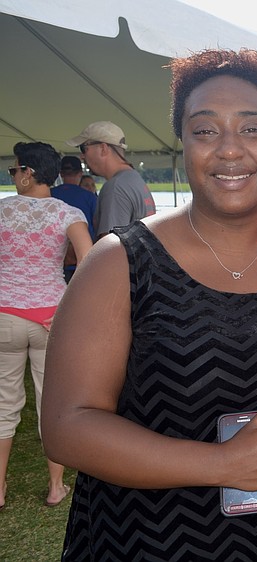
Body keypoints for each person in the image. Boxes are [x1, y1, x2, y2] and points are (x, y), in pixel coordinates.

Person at [43, 48, 257, 561]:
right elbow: (68, 427)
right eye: (205, 131)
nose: (230, 150)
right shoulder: (119, 262)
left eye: (252, 129)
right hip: (148, 538)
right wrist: (222, 464)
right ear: (182, 142)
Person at [0, 142, 93, 511]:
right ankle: (55, 487)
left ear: (27, 172)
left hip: (4, 315)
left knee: (4, 405)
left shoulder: (2, 209)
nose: (12, 175)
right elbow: (89, 260)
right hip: (51, 317)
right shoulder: (67, 212)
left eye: (13, 169)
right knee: (48, 402)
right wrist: (70, 306)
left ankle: (1, 490)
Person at [65, 120, 156, 239]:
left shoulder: (115, 187)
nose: (82, 156)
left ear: (103, 148)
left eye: (84, 148)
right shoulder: (134, 179)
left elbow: (109, 247)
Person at [50, 155, 97, 282]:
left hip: (54, 261)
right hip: (82, 259)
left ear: (60, 174)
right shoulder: (90, 197)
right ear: (80, 174)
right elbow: (97, 225)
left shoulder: (48, 195)